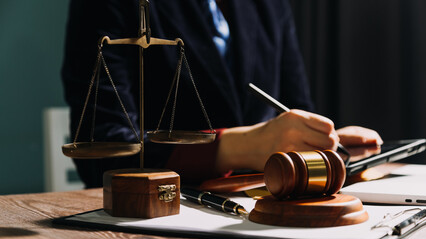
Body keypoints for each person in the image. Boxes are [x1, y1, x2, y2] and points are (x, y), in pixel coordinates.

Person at [62, 0, 382, 188]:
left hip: (266, 208)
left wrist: (321, 143)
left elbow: (294, 108)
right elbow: (101, 151)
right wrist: (237, 146)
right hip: (164, 218)